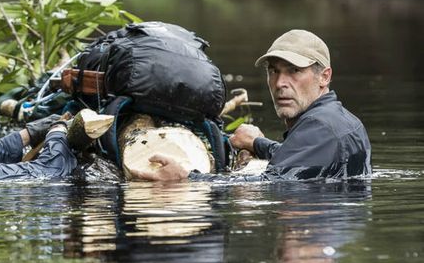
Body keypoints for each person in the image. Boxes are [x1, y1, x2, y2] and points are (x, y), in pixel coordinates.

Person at [133, 29, 372, 181]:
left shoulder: (319, 127)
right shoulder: (343, 120)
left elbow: (270, 184)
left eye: (295, 71)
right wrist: (258, 144)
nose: (280, 83)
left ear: (324, 76)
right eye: (274, 71)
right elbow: (303, 162)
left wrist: (186, 178)